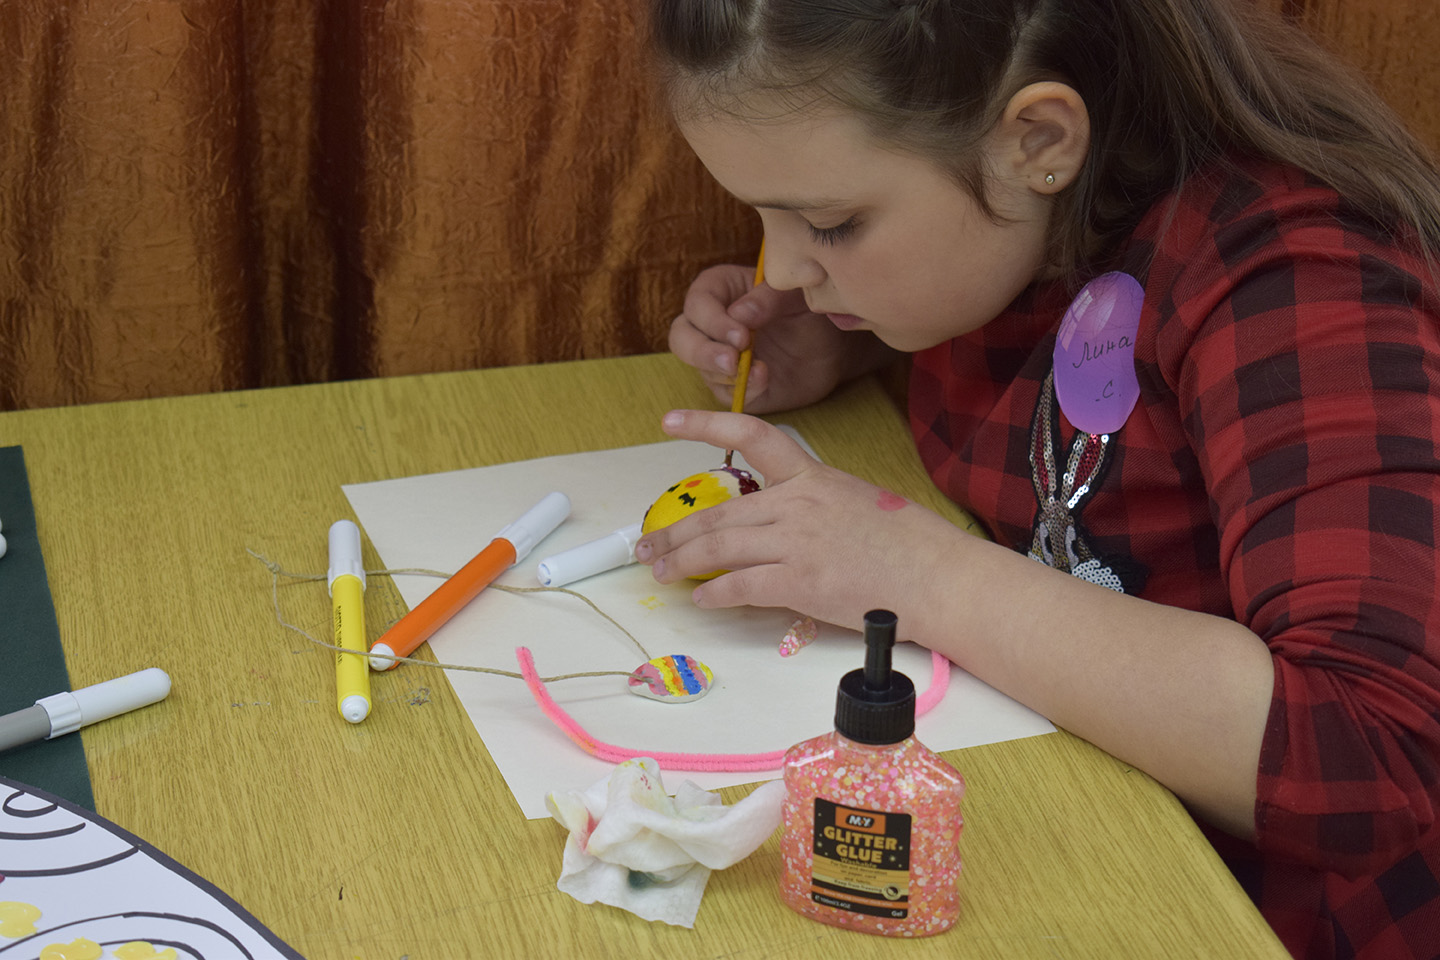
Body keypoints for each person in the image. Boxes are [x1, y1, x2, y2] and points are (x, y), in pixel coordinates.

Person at [632, 0, 1440, 957]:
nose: (780, 270)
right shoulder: (1026, 224)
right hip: (1086, 806)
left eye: (831, 223)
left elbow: (1375, 753)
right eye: (761, 213)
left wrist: (920, 574)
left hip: (1263, 910)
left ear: (1040, 141)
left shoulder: (1297, 282)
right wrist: (855, 342)